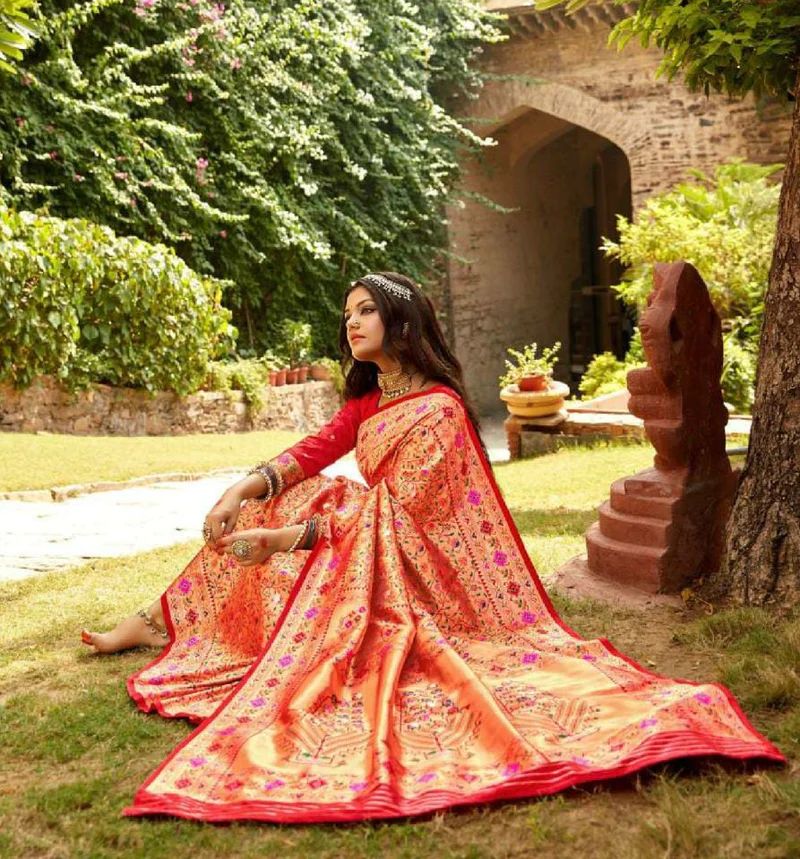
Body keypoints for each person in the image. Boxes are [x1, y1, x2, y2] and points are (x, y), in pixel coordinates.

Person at [83, 271, 783, 823]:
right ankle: (161, 618)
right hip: (365, 545)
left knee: (322, 506)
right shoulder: (371, 400)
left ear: (402, 321)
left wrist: (287, 539)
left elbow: (407, 522)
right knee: (290, 492)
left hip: (420, 577)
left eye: (365, 310)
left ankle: (191, 617)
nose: (351, 322)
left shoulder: (439, 409)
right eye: (347, 313)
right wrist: (241, 490)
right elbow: (315, 451)